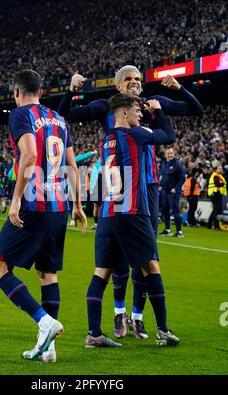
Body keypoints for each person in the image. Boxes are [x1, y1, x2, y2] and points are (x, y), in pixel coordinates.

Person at [58, 66, 204, 340]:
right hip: (123, 190)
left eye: (138, 79)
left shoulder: (149, 105)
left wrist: (179, 88)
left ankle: (137, 317)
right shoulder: (107, 108)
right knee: (121, 260)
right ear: (117, 86)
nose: (136, 83)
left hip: (147, 187)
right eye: (129, 79)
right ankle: (119, 313)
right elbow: (66, 115)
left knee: (146, 259)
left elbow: (197, 110)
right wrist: (71, 90)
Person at [0, 70, 87, 363]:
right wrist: (79, 205)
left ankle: (44, 322)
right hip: (60, 207)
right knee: (47, 274)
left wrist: (15, 200)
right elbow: (71, 164)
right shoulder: (59, 119)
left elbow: (29, 156)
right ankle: (49, 349)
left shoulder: (21, 114)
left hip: (34, 203)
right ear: (41, 92)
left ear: (16, 93)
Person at [85, 93, 179, 347]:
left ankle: (93, 334)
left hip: (108, 216)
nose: (141, 114)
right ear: (123, 113)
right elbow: (168, 137)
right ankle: (163, 330)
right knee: (151, 267)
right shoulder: (135, 135)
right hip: (132, 213)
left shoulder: (105, 141)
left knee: (102, 272)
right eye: (137, 110)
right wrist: (158, 111)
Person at [159, 148, 186, 237]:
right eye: (168, 153)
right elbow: (163, 176)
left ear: (174, 154)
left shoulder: (177, 164)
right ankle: (167, 229)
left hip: (173, 192)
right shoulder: (164, 164)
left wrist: (176, 187)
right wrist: (160, 185)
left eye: (171, 153)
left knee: (175, 211)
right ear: (165, 155)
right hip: (165, 191)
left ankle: (179, 231)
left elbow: (182, 178)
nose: (170, 155)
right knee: (165, 210)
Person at [207, 165, 227, 229]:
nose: (220, 169)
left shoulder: (220, 176)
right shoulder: (215, 176)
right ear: (216, 170)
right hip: (214, 194)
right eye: (219, 168)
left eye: (221, 168)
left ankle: (210, 224)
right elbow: (217, 184)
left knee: (216, 210)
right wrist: (223, 184)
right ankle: (215, 225)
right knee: (216, 210)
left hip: (218, 194)